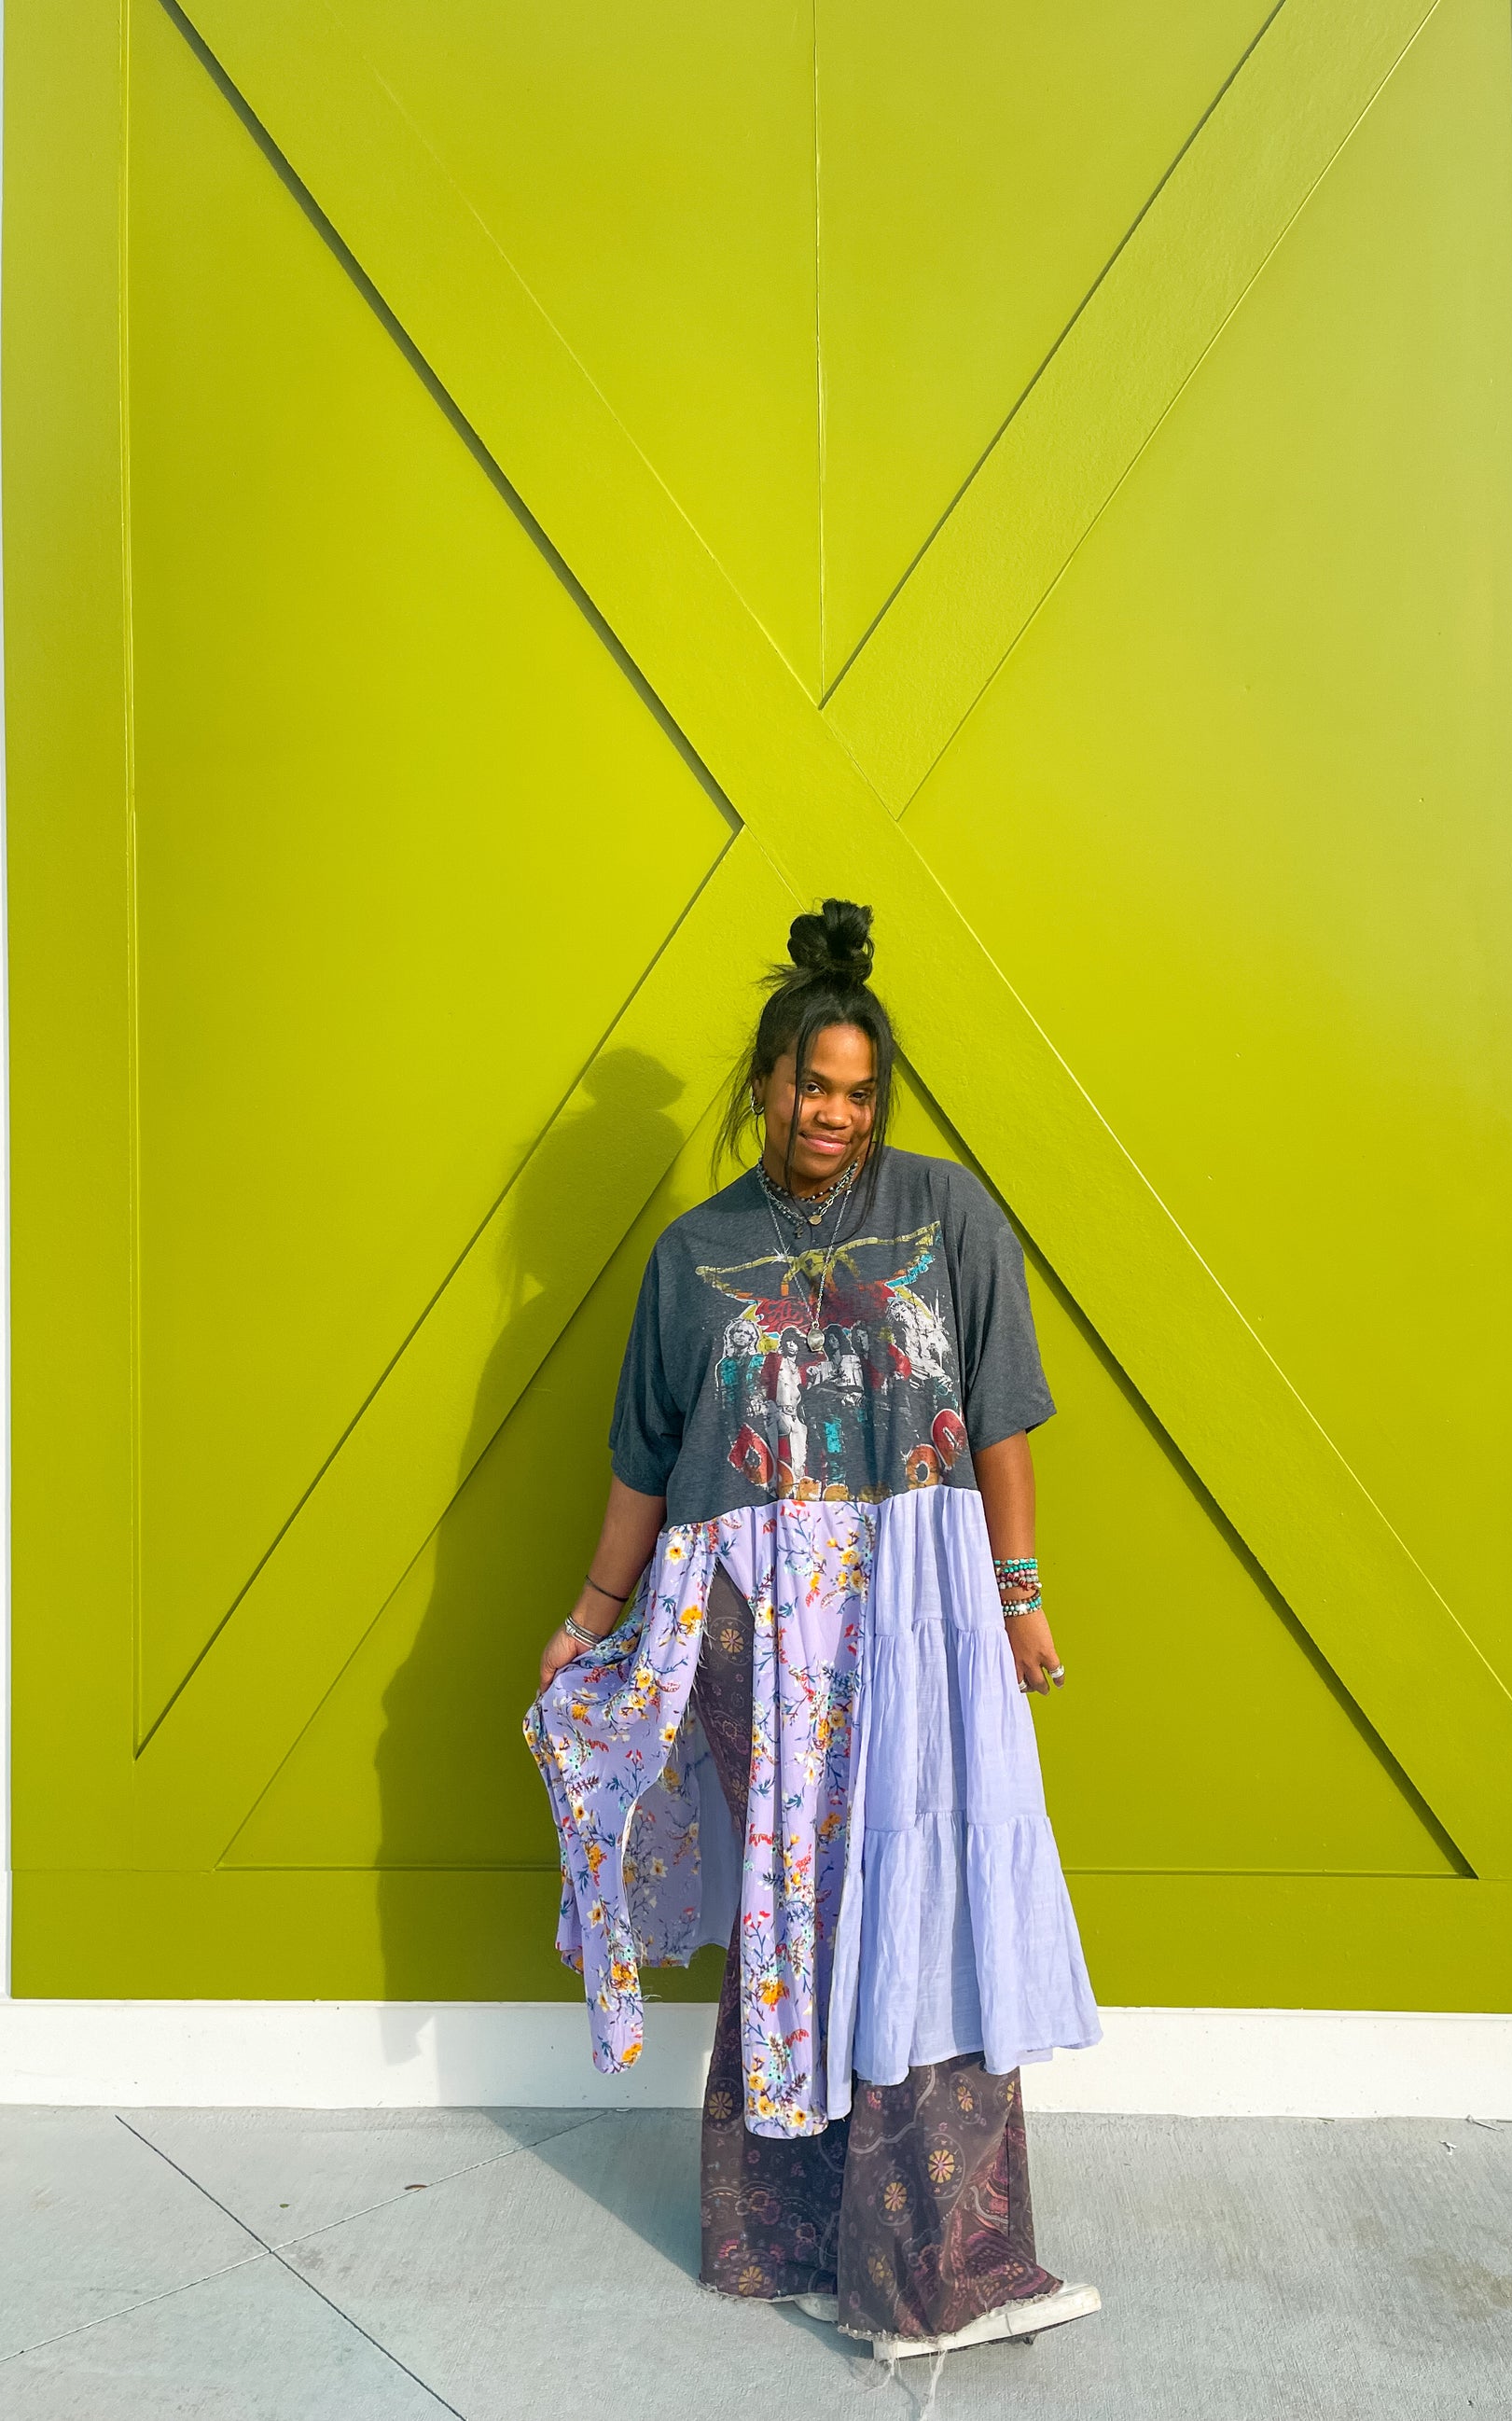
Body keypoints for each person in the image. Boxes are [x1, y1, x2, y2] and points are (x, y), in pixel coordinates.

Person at [525, 898, 1102, 2362]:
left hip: (916, 1600)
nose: (832, 1113)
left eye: (856, 1091)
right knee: (798, 1910)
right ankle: (789, 2246)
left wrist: (1018, 1596)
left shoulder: (947, 1216)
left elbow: (1002, 1414)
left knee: (919, 1895)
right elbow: (645, 1460)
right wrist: (590, 1618)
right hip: (740, 1612)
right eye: (809, 1086)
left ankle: (931, 2269)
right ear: (764, 1084)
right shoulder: (692, 1256)